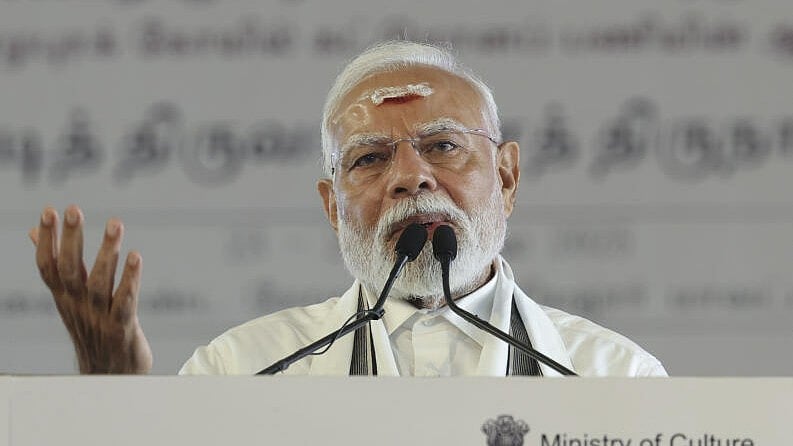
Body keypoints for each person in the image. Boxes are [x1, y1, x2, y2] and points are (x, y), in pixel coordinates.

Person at [29, 41, 667, 377]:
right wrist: (109, 400)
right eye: (369, 159)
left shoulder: (612, 375)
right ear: (333, 206)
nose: (411, 178)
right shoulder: (243, 370)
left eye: (442, 146)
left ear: (506, 176)